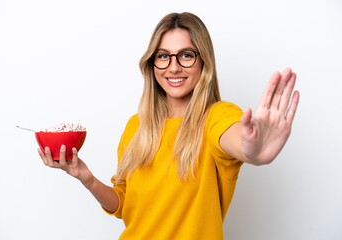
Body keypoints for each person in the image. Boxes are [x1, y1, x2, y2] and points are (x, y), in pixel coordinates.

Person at [38, 12, 299, 240]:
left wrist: (251, 150)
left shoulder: (217, 116)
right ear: (152, 64)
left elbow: (235, 138)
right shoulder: (136, 126)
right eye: (163, 56)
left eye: (186, 55)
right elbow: (124, 204)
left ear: (203, 62)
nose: (173, 68)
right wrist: (87, 178)